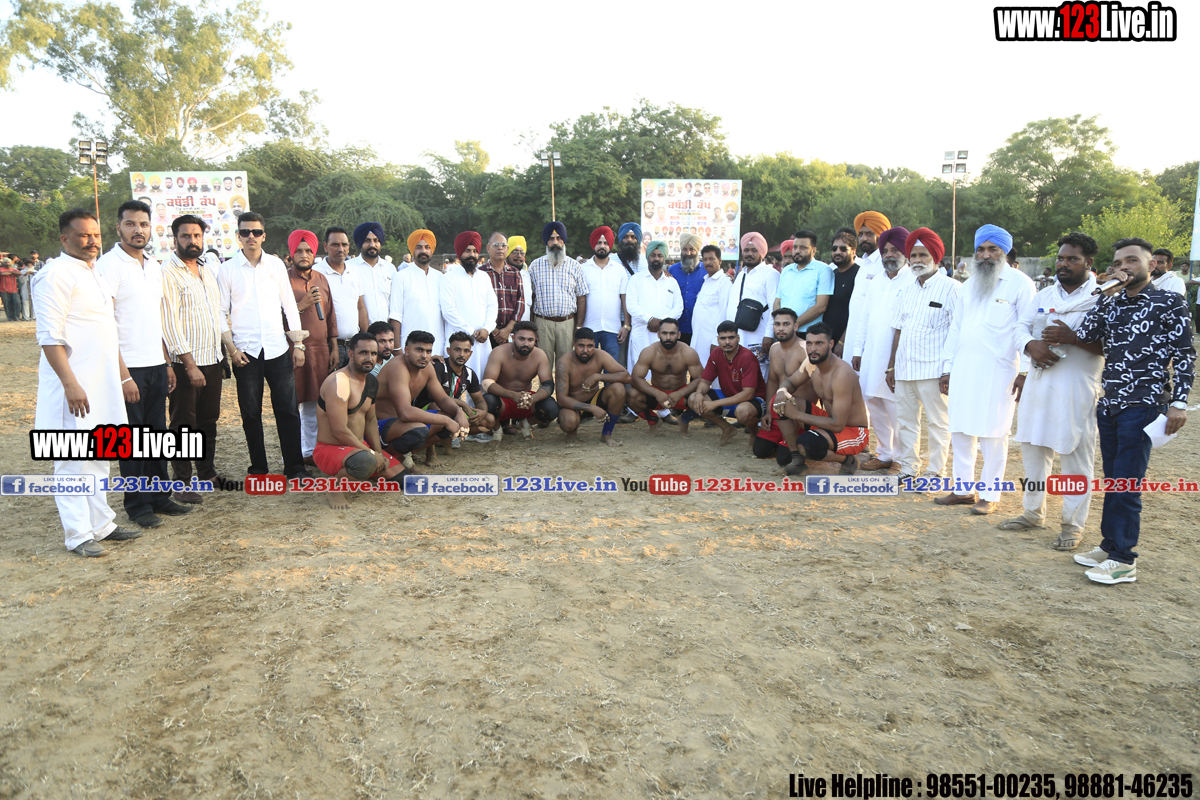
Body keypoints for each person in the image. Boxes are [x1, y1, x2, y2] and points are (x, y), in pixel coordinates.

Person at [1069, 237, 1193, 584]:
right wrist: (1104, 295)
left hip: (1145, 404)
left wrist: (1179, 403)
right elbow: (1087, 334)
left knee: (1127, 482)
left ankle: (1124, 559)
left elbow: (1185, 354)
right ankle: (1110, 546)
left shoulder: (1169, 302)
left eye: (1132, 261)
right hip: (1110, 403)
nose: (1124, 267)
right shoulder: (1112, 302)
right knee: (1114, 479)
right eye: (1118, 262)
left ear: (1151, 265)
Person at [33, 209, 142, 556]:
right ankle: (78, 534)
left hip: (102, 383)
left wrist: (123, 375)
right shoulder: (54, 275)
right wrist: (70, 384)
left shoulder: (95, 273)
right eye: (83, 235)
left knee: (100, 453)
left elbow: (107, 331)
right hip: (74, 387)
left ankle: (102, 524)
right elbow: (49, 336)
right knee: (71, 460)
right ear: (64, 238)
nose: (91, 241)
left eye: (95, 234)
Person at [1001, 232, 1105, 550]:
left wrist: (1073, 338)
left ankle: (1072, 525)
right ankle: (1032, 513)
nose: (1063, 263)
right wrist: (1031, 345)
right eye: (1060, 258)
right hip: (1039, 381)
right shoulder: (1044, 294)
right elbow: (1020, 326)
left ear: (1088, 263)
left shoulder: (1103, 297)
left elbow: (1111, 344)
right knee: (1033, 448)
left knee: (1075, 457)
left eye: (1072, 259)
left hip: (1077, 387)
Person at [96, 200, 192, 528]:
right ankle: (137, 506)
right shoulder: (109, 265)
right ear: (118, 227)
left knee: (156, 437)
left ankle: (160, 497)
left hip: (155, 364)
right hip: (128, 368)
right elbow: (105, 324)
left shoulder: (153, 266)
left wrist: (166, 363)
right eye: (131, 224)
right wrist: (123, 376)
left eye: (144, 224)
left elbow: (157, 319)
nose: (138, 230)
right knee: (132, 442)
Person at [936, 224, 1035, 515]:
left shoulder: (1021, 284)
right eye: (981, 249)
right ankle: (963, 490)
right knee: (960, 430)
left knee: (994, 434)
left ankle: (990, 495)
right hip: (963, 369)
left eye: (993, 249)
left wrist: (1024, 371)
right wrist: (947, 369)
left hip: (999, 373)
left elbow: (1028, 330)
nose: (986, 255)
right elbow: (955, 329)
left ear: (1005, 252)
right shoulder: (968, 286)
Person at [217, 212, 309, 481]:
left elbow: (288, 305)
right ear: (238, 236)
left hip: (277, 348)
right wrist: (232, 349)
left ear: (263, 236)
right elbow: (220, 312)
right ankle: (258, 468)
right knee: (250, 413)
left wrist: (298, 344)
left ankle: (294, 467)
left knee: (288, 411)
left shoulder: (276, 265)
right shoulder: (227, 269)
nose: (251, 237)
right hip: (245, 353)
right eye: (245, 232)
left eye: (256, 232)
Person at [886, 227, 960, 481]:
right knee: (906, 422)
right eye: (914, 255)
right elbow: (898, 331)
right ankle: (908, 469)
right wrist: (891, 367)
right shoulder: (906, 291)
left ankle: (936, 472)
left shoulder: (952, 289)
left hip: (934, 370)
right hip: (904, 369)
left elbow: (957, 332)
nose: (917, 260)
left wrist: (948, 370)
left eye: (923, 255)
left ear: (935, 257)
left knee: (938, 423)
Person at [160, 215, 225, 503]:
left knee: (208, 420)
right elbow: (169, 323)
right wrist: (189, 364)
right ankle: (182, 482)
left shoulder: (207, 269)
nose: (192, 240)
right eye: (186, 236)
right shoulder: (167, 272)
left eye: (197, 235)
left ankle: (207, 473)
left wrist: (223, 354)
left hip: (212, 358)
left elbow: (216, 314)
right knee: (183, 423)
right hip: (185, 363)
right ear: (175, 239)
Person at [313, 332, 406, 509]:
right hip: (329, 449)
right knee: (366, 462)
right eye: (363, 353)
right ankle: (334, 487)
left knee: (404, 481)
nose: (369, 358)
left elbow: (370, 420)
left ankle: (360, 471)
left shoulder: (371, 381)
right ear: (351, 354)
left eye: (373, 353)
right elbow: (338, 431)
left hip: (358, 448)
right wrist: (371, 454)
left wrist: (378, 452)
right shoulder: (338, 382)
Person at [850, 226, 914, 473]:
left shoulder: (912, 280)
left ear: (906, 253)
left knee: (896, 407)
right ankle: (885, 453)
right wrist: (858, 350)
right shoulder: (876, 281)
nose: (889, 255)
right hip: (872, 353)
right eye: (885, 251)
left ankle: (901, 458)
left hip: (897, 354)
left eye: (895, 250)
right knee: (874, 401)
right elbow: (864, 318)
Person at [772, 323, 870, 476]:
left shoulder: (841, 374)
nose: (813, 349)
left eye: (819, 343)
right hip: (830, 422)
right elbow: (791, 382)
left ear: (830, 344)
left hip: (853, 432)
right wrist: (782, 391)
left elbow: (838, 424)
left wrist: (797, 415)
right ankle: (797, 461)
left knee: (808, 445)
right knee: (778, 402)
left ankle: (848, 461)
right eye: (809, 343)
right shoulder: (812, 362)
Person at [374, 330, 469, 466]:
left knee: (453, 417)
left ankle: (403, 454)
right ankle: (388, 458)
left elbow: (442, 399)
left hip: (403, 424)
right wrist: (446, 420)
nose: (424, 356)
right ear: (407, 351)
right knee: (419, 430)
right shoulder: (397, 367)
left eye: (428, 351)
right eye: (419, 350)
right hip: (379, 426)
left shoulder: (427, 367)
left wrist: (459, 412)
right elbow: (405, 413)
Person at [286, 230, 338, 464]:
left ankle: (311, 452)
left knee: (314, 403)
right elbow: (274, 316)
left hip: (320, 350)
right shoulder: (283, 280)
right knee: (291, 404)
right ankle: (295, 453)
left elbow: (330, 316)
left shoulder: (321, 279)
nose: (304, 255)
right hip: (292, 350)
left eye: (308, 250)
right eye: (299, 250)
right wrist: (301, 305)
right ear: (291, 253)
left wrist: (333, 346)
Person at [686, 321, 767, 445]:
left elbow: (748, 394)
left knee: (743, 411)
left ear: (738, 338)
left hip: (754, 400)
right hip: (729, 396)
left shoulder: (747, 357)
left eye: (731, 338)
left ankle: (755, 432)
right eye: (723, 338)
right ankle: (727, 428)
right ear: (718, 339)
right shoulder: (716, 353)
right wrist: (698, 394)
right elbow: (705, 381)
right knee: (693, 399)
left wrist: (715, 404)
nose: (727, 342)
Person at [482, 321, 560, 441]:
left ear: (535, 340)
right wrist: (512, 395)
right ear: (513, 338)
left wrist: (533, 398)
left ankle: (526, 424)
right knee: (488, 401)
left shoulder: (540, 355)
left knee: (551, 408)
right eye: (521, 339)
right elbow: (487, 383)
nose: (526, 343)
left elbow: (548, 385)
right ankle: (497, 429)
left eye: (530, 340)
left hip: (527, 401)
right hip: (503, 401)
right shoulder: (499, 352)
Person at [527, 221, 589, 371]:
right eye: (551, 239)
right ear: (546, 242)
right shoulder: (535, 265)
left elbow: (581, 298)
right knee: (543, 365)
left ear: (564, 241)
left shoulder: (575, 266)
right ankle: (545, 388)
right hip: (543, 323)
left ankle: (564, 388)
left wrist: (578, 327)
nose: (555, 242)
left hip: (567, 323)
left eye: (559, 238)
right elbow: (531, 298)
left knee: (565, 367)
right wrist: (531, 327)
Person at [627, 318, 704, 436]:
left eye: (672, 333)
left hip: (681, 396)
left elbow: (701, 379)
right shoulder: (649, 352)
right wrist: (656, 393)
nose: (668, 337)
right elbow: (635, 378)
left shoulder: (688, 352)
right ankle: (653, 421)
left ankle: (684, 419)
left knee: (704, 397)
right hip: (657, 396)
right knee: (631, 395)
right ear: (658, 334)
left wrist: (680, 393)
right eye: (664, 333)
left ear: (679, 335)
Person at [556, 327, 631, 447]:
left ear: (595, 345)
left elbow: (626, 376)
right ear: (574, 344)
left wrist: (598, 376)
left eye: (590, 346)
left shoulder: (600, 355)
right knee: (569, 422)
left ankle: (607, 434)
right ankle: (571, 432)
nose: (585, 350)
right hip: (573, 404)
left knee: (618, 389)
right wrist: (592, 408)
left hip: (594, 398)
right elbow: (561, 399)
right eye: (581, 346)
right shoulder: (564, 363)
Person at [755, 308, 810, 464]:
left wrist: (801, 418)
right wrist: (768, 412)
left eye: (786, 324)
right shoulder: (774, 348)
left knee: (784, 459)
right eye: (777, 324)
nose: (781, 328)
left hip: (799, 413)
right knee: (760, 450)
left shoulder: (805, 349)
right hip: (779, 411)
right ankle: (781, 438)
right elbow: (773, 381)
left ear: (795, 326)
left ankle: (798, 440)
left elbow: (813, 388)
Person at [441, 231, 498, 376]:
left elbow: (492, 306)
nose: (471, 255)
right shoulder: (449, 278)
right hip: (458, 341)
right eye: (467, 251)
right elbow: (448, 311)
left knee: (482, 380)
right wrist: (471, 332)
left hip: (483, 342)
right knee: (456, 381)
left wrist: (487, 329)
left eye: (474, 251)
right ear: (460, 253)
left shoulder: (484, 277)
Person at [626, 240, 684, 373]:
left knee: (663, 371)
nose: (656, 258)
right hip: (642, 333)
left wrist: (663, 324)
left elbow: (678, 307)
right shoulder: (636, 279)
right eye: (653, 255)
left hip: (665, 335)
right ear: (647, 257)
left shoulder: (672, 282)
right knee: (640, 370)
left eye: (659, 255)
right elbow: (631, 304)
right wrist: (649, 319)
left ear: (664, 258)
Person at [727, 231, 780, 377]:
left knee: (758, 376)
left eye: (754, 250)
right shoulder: (741, 274)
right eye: (746, 250)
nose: (749, 254)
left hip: (759, 337)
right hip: (739, 337)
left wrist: (769, 334)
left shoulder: (770, 274)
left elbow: (774, 306)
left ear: (762, 252)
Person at [842, 210, 891, 362]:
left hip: (871, 339)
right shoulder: (863, 264)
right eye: (861, 234)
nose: (864, 238)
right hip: (854, 336)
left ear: (881, 235)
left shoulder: (885, 264)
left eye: (869, 234)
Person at [315, 227, 368, 366]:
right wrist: (332, 347)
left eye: (344, 245)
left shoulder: (354, 272)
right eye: (335, 245)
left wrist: (367, 341)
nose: (340, 249)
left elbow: (360, 307)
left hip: (354, 345)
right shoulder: (316, 273)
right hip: (329, 347)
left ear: (349, 247)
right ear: (325, 246)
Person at [389, 229, 445, 360]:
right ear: (412, 250)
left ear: (432, 250)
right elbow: (395, 316)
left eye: (427, 247)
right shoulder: (401, 277)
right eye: (419, 247)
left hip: (438, 348)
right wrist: (397, 349)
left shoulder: (440, 278)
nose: (423, 251)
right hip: (410, 349)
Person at [435, 331, 496, 443]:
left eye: (466, 351)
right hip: (432, 407)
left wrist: (483, 411)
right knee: (438, 407)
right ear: (448, 351)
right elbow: (437, 398)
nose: (462, 354)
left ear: (470, 353)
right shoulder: (439, 367)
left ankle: (451, 436)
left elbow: (479, 400)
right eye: (457, 350)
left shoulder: (470, 373)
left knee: (489, 420)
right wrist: (463, 405)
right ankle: (438, 440)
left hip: (453, 409)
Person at [580, 226, 630, 361]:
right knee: (589, 368)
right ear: (593, 245)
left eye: (605, 243)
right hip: (589, 328)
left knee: (612, 368)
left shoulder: (619, 270)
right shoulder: (583, 269)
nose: (602, 246)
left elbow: (624, 299)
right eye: (599, 243)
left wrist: (626, 325)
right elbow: (579, 298)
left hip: (613, 329)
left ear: (610, 246)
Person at [774, 229, 832, 334]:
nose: (797, 251)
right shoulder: (786, 270)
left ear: (813, 250)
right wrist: (780, 324)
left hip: (809, 334)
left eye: (803, 248)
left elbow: (821, 306)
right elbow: (778, 301)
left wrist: (793, 325)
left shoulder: (823, 270)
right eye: (795, 247)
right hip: (783, 333)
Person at [479, 231, 526, 349]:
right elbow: (477, 303)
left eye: (503, 245)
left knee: (509, 360)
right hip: (486, 332)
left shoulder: (515, 273)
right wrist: (493, 329)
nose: (500, 248)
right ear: (488, 248)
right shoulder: (480, 273)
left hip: (510, 332)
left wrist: (508, 329)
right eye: (496, 245)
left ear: (507, 249)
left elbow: (520, 302)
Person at [690, 244, 733, 359]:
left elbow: (724, 313)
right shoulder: (706, 281)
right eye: (705, 259)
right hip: (698, 338)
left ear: (719, 260)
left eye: (711, 259)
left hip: (711, 341)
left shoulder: (725, 282)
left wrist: (717, 340)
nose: (708, 262)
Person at [348, 222, 391, 324]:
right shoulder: (349, 268)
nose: (372, 245)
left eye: (376, 240)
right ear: (360, 243)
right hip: (358, 329)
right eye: (367, 241)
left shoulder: (390, 268)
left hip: (386, 330)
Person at [669, 232, 707, 345]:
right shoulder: (672, 270)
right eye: (685, 249)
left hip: (699, 327)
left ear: (697, 250)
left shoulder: (706, 271)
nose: (688, 253)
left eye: (692, 249)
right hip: (677, 328)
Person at [825, 227, 860, 349]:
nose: (837, 252)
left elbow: (858, 313)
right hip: (827, 341)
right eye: (834, 249)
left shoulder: (859, 275)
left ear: (854, 252)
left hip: (847, 342)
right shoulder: (831, 274)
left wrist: (842, 342)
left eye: (843, 249)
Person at [506, 235, 534, 322]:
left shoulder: (527, 276)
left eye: (522, 252)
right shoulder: (500, 275)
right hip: (505, 327)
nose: (519, 256)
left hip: (525, 326)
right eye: (515, 252)